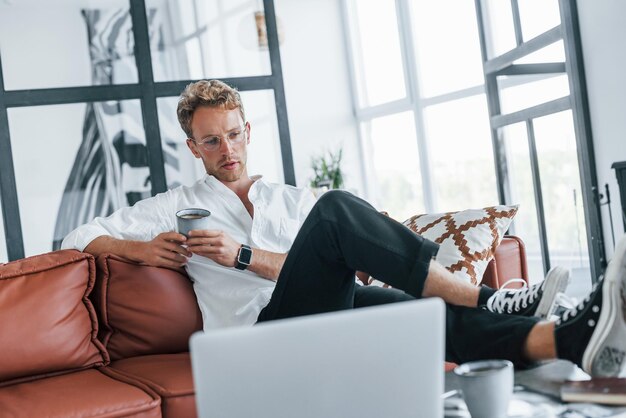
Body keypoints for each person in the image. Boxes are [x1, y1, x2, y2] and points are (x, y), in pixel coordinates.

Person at [62, 79, 626, 378]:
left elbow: (334, 265)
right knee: (336, 211)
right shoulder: (177, 204)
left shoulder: (290, 200)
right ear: (193, 147)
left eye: (233, 134)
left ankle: (570, 341)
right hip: (254, 344)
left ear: (247, 130)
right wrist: (140, 248)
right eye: (211, 140)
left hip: (320, 316)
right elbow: (75, 237)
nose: (226, 150)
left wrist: (241, 256)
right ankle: (494, 300)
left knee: (419, 315)